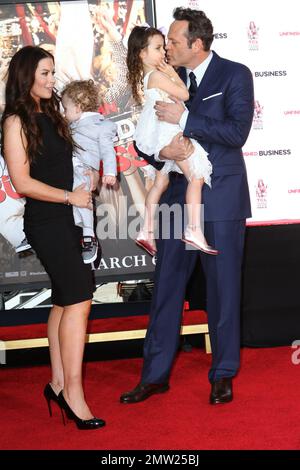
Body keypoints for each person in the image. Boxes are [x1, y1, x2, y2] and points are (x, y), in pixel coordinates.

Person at [120, 7, 254, 405]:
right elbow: (146, 138)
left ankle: (224, 373)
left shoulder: (235, 74)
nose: (168, 48)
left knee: (223, 289)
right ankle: (155, 375)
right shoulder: (165, 77)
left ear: (196, 44)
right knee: (166, 289)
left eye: (174, 42)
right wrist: (162, 148)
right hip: (175, 198)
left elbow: (237, 132)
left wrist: (188, 117)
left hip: (222, 198)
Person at [1, 45, 105, 429]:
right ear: (26, 77)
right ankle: (74, 396)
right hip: (45, 221)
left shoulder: (51, 114)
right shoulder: (15, 120)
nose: (50, 80)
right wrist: (69, 196)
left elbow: (60, 165)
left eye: (52, 73)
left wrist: (85, 180)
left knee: (65, 301)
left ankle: (58, 384)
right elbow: (22, 181)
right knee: (80, 299)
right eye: (44, 74)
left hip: (66, 218)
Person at [127, 26, 217, 256]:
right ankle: (194, 229)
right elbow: (185, 95)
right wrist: (172, 72)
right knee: (195, 176)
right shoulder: (157, 76)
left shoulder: (150, 77)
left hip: (161, 133)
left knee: (160, 183)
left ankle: (146, 230)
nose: (163, 52)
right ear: (142, 54)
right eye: (157, 48)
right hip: (168, 133)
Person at [61, 79, 117, 264]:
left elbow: (108, 151)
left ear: (77, 108)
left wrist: (110, 172)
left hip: (84, 170)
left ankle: (88, 236)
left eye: (65, 109)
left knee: (82, 198)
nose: (63, 113)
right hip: (69, 168)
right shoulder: (70, 124)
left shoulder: (102, 126)